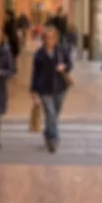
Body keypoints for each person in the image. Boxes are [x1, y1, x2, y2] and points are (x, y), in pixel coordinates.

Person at [30, 25, 73, 153]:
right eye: (46, 38)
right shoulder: (39, 54)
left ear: (55, 39)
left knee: (55, 113)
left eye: (51, 38)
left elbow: (70, 64)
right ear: (43, 39)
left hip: (60, 87)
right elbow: (35, 74)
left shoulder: (62, 51)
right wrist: (33, 90)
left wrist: (64, 67)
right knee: (51, 112)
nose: (49, 40)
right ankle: (53, 139)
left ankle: (47, 132)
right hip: (45, 88)